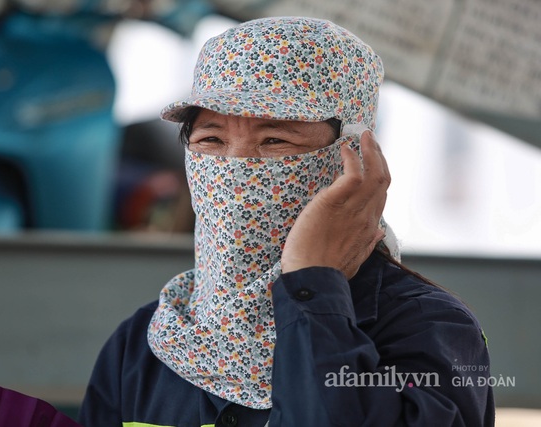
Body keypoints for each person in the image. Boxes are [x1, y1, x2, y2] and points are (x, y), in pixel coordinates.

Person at [79, 16, 495, 426]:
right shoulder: (145, 343)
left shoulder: (426, 329)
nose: (236, 169)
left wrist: (313, 283)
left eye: (275, 140)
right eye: (211, 140)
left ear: (351, 157)